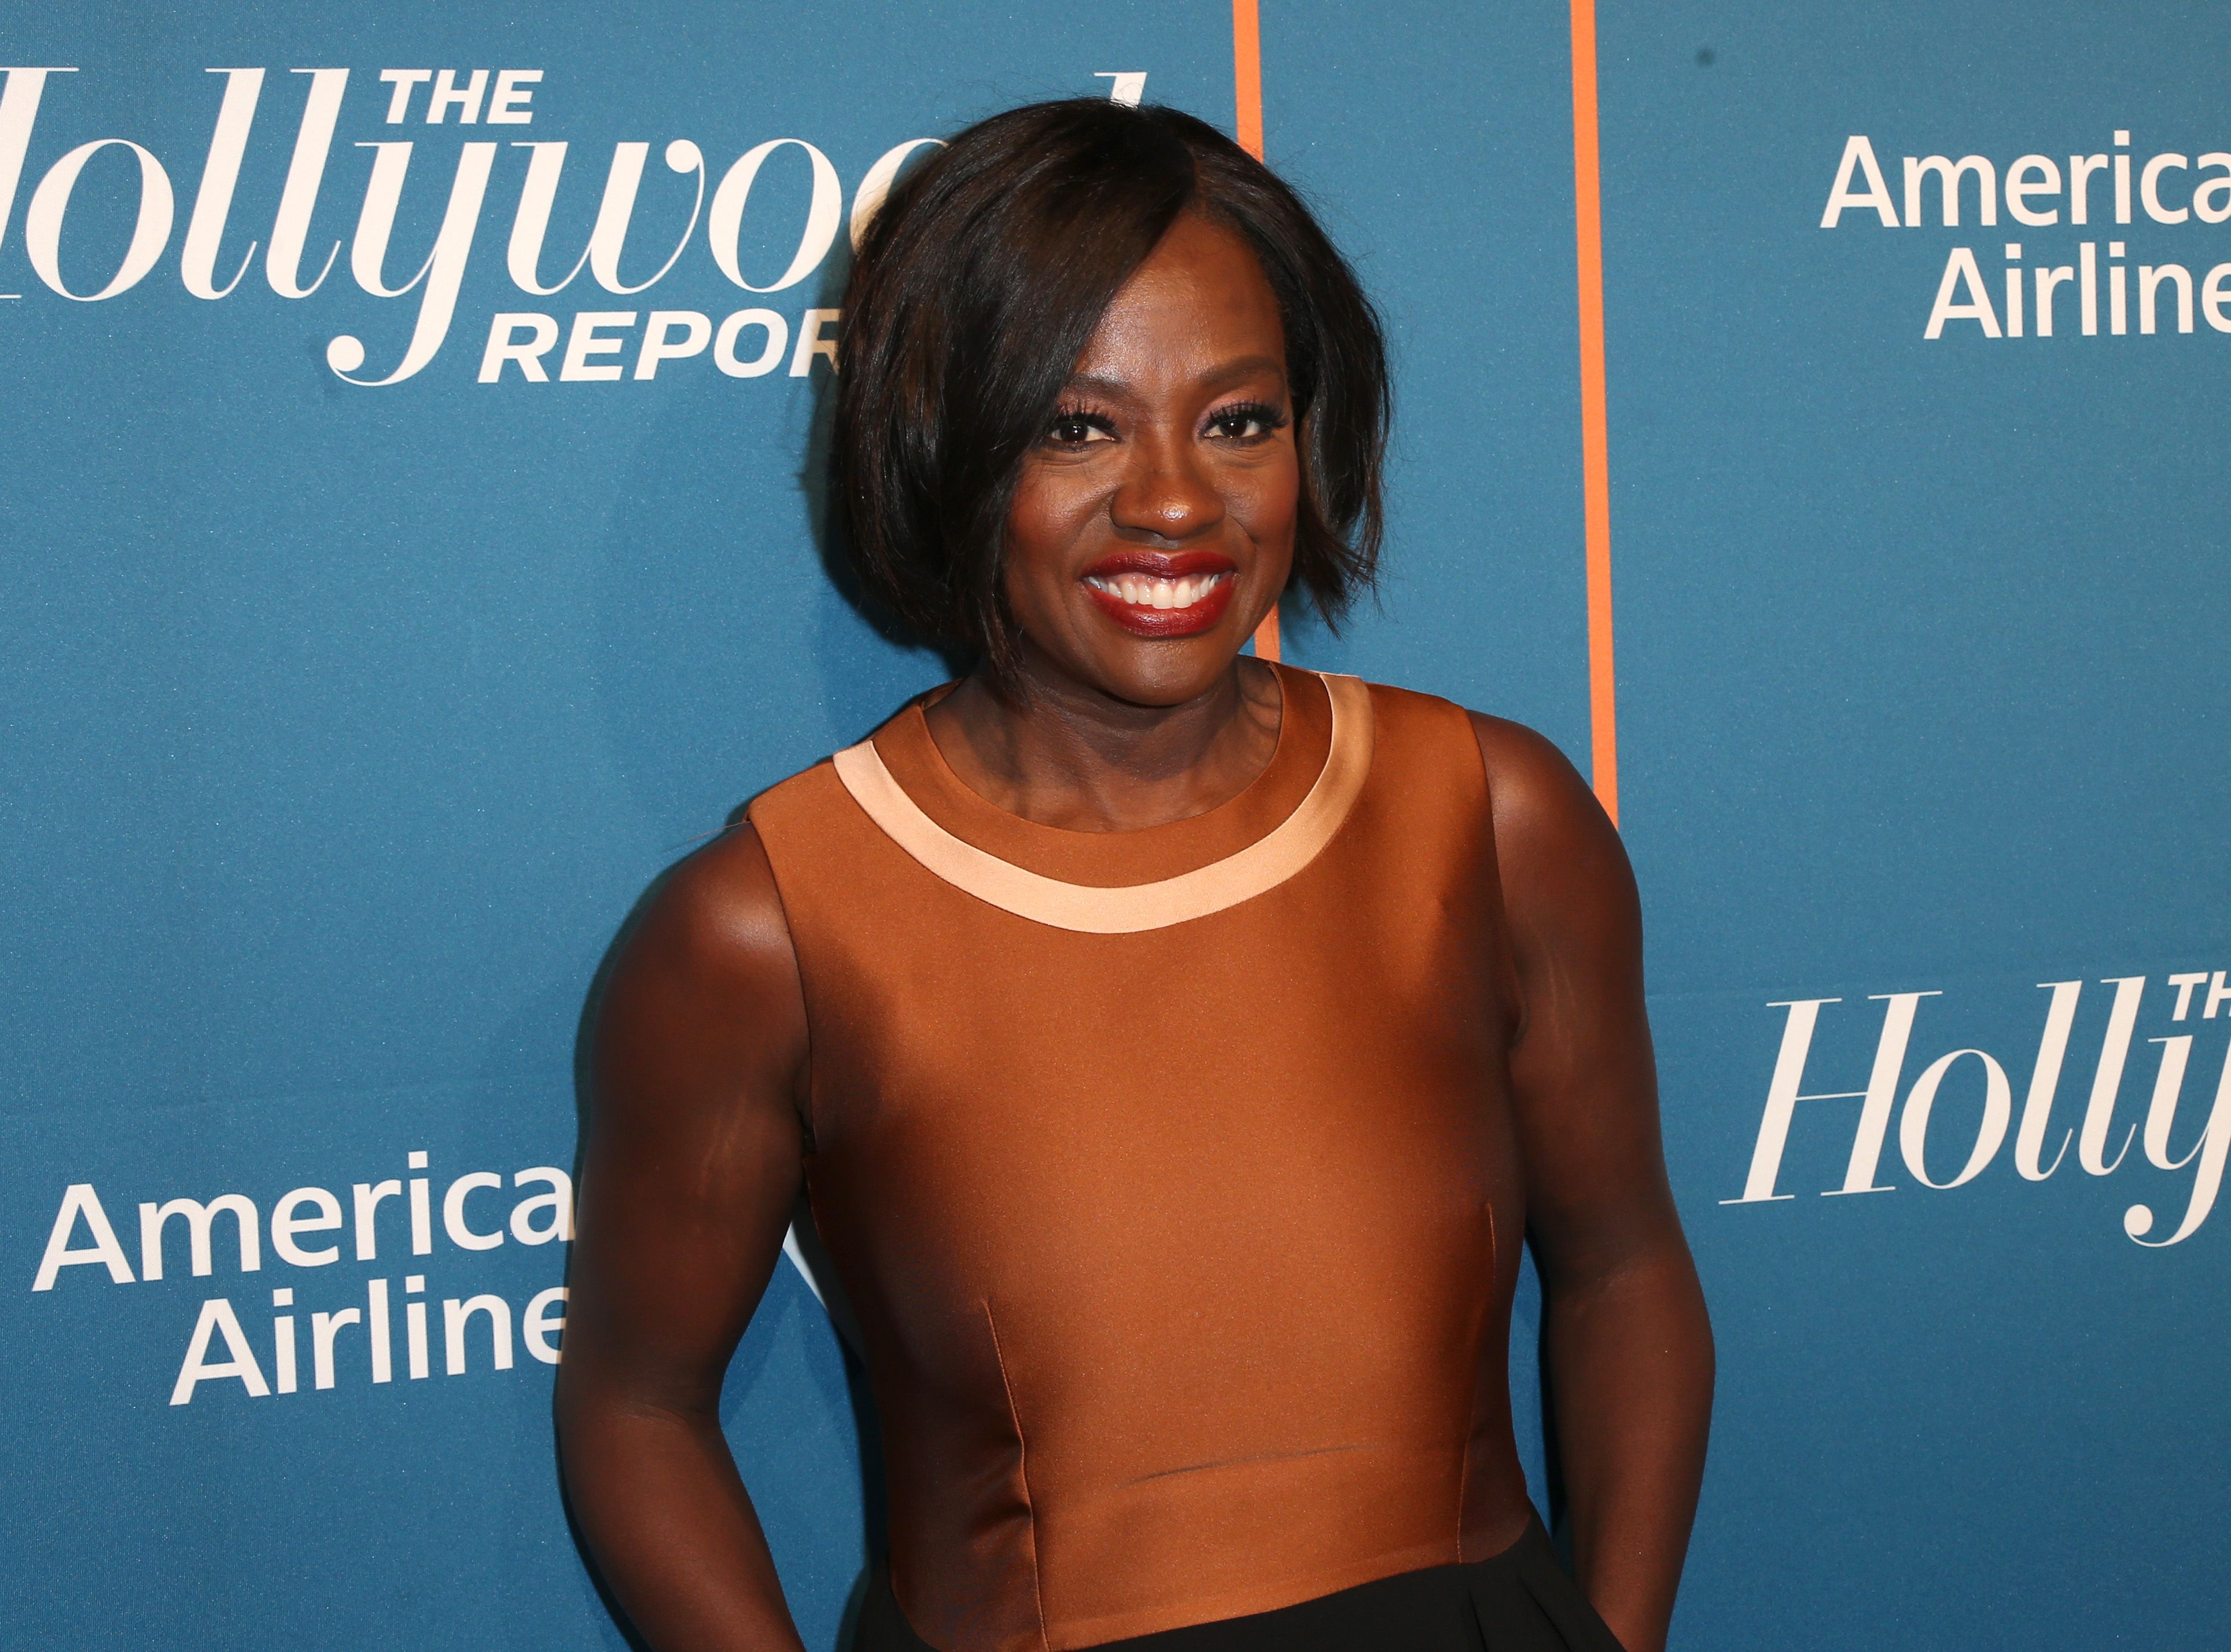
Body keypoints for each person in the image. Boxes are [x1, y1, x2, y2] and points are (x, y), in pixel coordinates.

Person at [556, 100, 1712, 1652]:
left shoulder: (1490, 818)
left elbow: (1628, 1268)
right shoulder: (769, 930)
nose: (1174, 502)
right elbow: (637, 1410)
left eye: (1239, 420)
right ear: (947, 446)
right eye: (1077, 425)